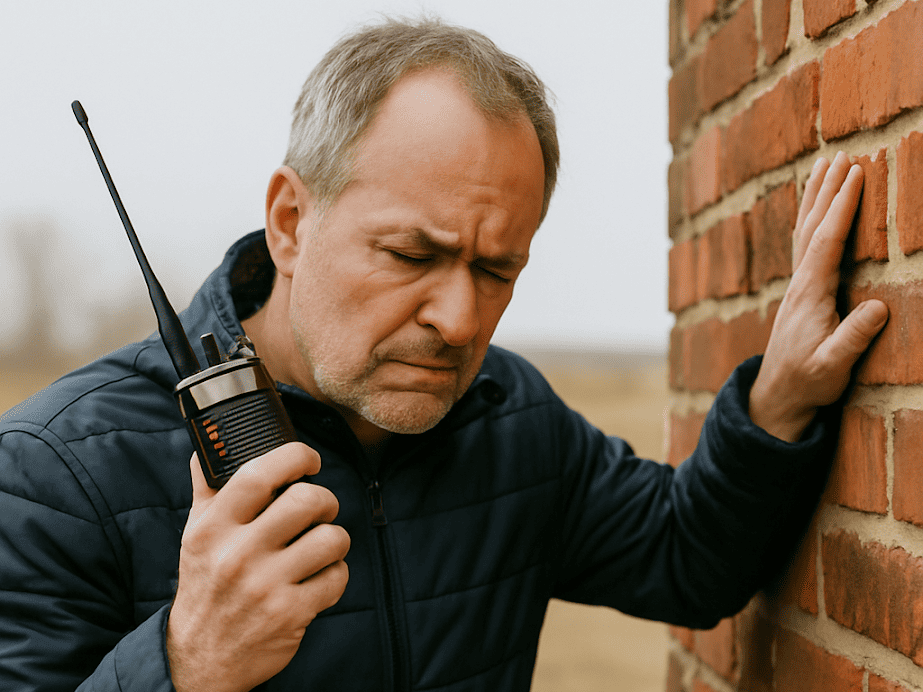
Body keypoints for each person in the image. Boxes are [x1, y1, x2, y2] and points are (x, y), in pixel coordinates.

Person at [0, 17, 889, 692]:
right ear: (290, 222)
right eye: (412, 255)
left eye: (497, 267)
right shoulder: (54, 474)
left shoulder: (512, 416)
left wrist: (778, 400)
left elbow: (689, 560)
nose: (460, 321)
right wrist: (181, 662)